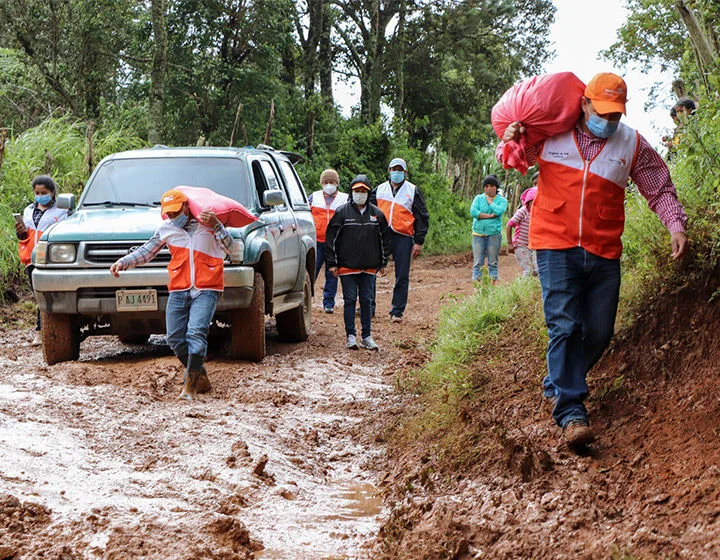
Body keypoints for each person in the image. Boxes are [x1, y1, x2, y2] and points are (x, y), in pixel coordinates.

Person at [500, 72, 688, 449]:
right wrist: (512, 138)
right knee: (564, 325)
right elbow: (514, 157)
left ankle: (557, 380)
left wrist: (675, 225)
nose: (609, 121)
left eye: (615, 114)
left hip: (603, 250)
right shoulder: (552, 133)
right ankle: (571, 413)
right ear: (584, 104)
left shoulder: (632, 143)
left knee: (600, 332)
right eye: (602, 112)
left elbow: (658, 186)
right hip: (554, 244)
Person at [109, 189, 235, 401]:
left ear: (187, 207)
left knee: (195, 333)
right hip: (179, 287)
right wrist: (123, 262)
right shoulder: (167, 229)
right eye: (169, 214)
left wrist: (217, 226)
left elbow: (231, 248)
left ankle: (190, 385)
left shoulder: (209, 225)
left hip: (207, 287)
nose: (174, 217)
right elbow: (147, 251)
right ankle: (200, 374)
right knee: (175, 338)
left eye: (177, 212)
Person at [325, 175, 392, 351]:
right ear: (351, 192)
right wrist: (332, 263)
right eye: (357, 191)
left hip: (369, 267)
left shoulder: (377, 215)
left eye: (363, 191)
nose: (360, 194)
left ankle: (367, 336)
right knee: (349, 300)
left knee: (366, 300)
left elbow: (385, 239)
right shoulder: (342, 213)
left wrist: (383, 262)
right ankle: (351, 336)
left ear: (368, 193)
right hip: (347, 266)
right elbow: (331, 239)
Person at [370, 157, 429, 323]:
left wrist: (419, 241)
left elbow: (422, 216)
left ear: (405, 172)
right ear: (389, 171)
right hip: (381, 234)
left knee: (402, 274)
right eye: (394, 169)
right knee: (370, 270)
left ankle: (397, 311)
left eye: (400, 170)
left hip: (403, 236)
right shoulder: (379, 190)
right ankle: (369, 306)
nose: (396, 172)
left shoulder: (412, 190)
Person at [15, 175, 68, 346]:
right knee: (38, 296)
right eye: (37, 192)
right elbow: (25, 236)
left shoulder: (61, 211)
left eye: (43, 192)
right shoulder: (28, 211)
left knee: (47, 295)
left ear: (52, 193)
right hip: (32, 259)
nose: (40, 196)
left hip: (52, 259)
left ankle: (45, 331)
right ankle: (42, 330)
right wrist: (21, 231)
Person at [308, 169, 348, 314]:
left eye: (331, 182)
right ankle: (306, 299)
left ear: (337, 184)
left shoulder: (345, 199)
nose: (328, 185)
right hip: (316, 241)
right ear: (321, 183)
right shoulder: (314, 197)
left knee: (332, 274)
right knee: (312, 271)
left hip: (335, 243)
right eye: (325, 182)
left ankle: (329, 303)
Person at [470, 175, 508, 284]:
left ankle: (492, 286)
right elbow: (473, 212)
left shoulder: (502, 201)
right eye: (486, 186)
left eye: (491, 186)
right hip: (478, 234)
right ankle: (478, 287)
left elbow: (498, 211)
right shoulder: (478, 198)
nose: (489, 188)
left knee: (493, 262)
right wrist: (489, 216)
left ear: (496, 187)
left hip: (493, 234)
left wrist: (491, 202)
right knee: (478, 262)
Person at [506, 186, 537, 277]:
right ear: (528, 202)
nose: (535, 204)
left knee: (537, 270)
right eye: (533, 202)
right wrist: (510, 243)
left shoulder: (539, 213)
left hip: (534, 245)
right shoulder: (523, 212)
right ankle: (523, 287)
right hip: (520, 245)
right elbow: (509, 225)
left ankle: (533, 289)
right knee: (528, 270)